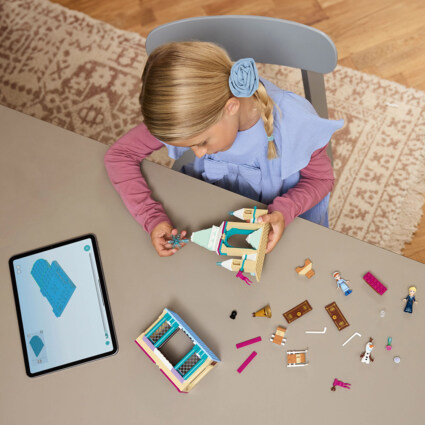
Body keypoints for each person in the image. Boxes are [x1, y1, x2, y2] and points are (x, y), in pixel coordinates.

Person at [104, 42, 344, 257]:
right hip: (213, 212)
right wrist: (151, 217)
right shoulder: (186, 114)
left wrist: (286, 209)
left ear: (231, 107)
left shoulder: (294, 122)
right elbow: (120, 156)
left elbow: (321, 179)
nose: (198, 154)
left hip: (284, 220)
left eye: (202, 142)